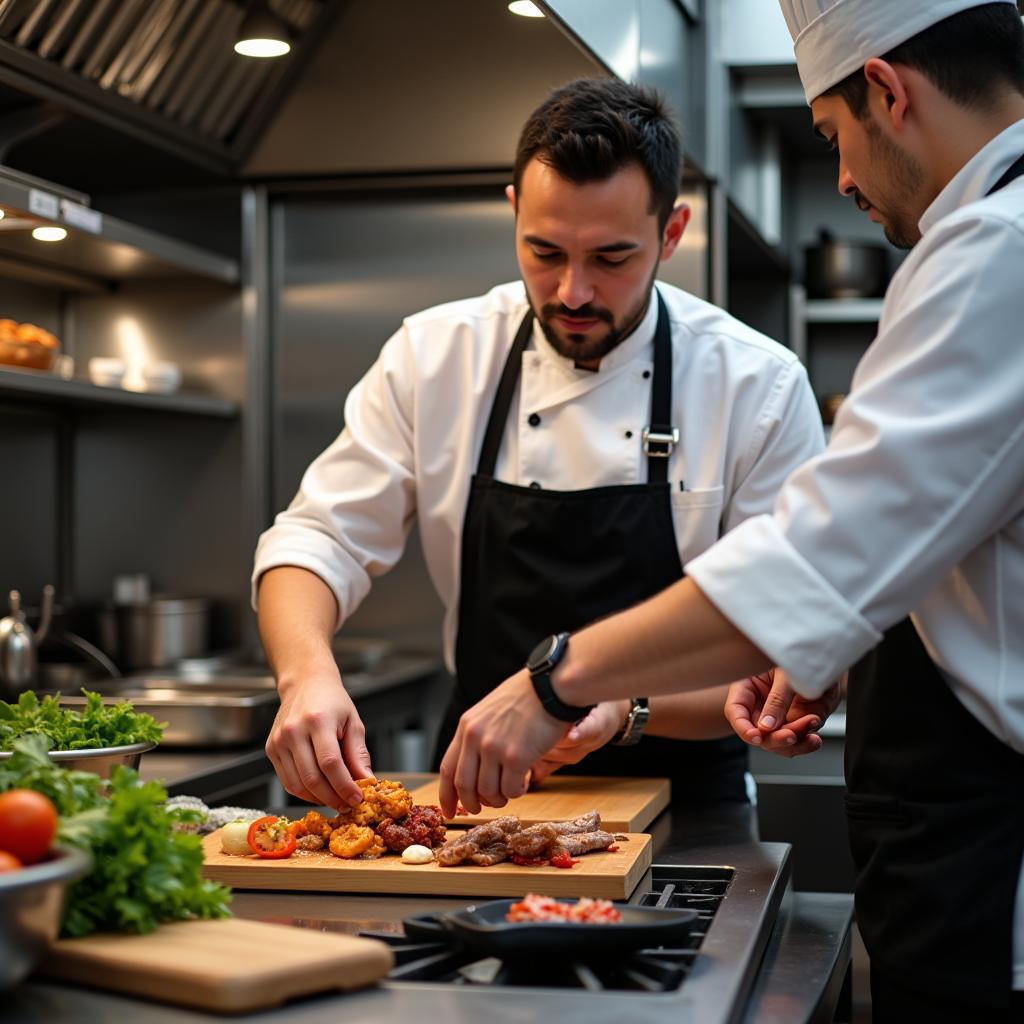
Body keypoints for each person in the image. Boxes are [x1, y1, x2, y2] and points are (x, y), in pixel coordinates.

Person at [438, 3, 1024, 1020]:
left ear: (886, 92)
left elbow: (814, 559)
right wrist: (829, 642)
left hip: (988, 863)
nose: (841, 177)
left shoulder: (996, 251)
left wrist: (553, 680)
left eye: (834, 136)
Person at [252, 77, 824, 813]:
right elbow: (316, 538)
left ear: (672, 233)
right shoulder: (437, 355)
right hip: (473, 795)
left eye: (612, 258)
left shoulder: (756, 385)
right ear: (514, 211)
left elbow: (785, 644)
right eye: (544, 252)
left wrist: (621, 708)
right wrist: (306, 676)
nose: (574, 292)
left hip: (689, 805)